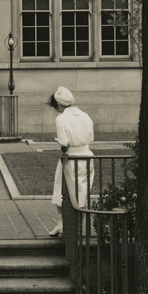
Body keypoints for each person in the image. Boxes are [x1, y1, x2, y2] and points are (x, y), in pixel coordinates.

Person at [48, 87, 95, 237]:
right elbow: (91, 137)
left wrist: (61, 143)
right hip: (87, 157)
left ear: (60, 105)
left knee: (61, 190)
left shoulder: (61, 119)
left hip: (70, 158)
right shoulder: (85, 115)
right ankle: (76, 227)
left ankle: (63, 225)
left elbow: (63, 142)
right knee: (82, 192)